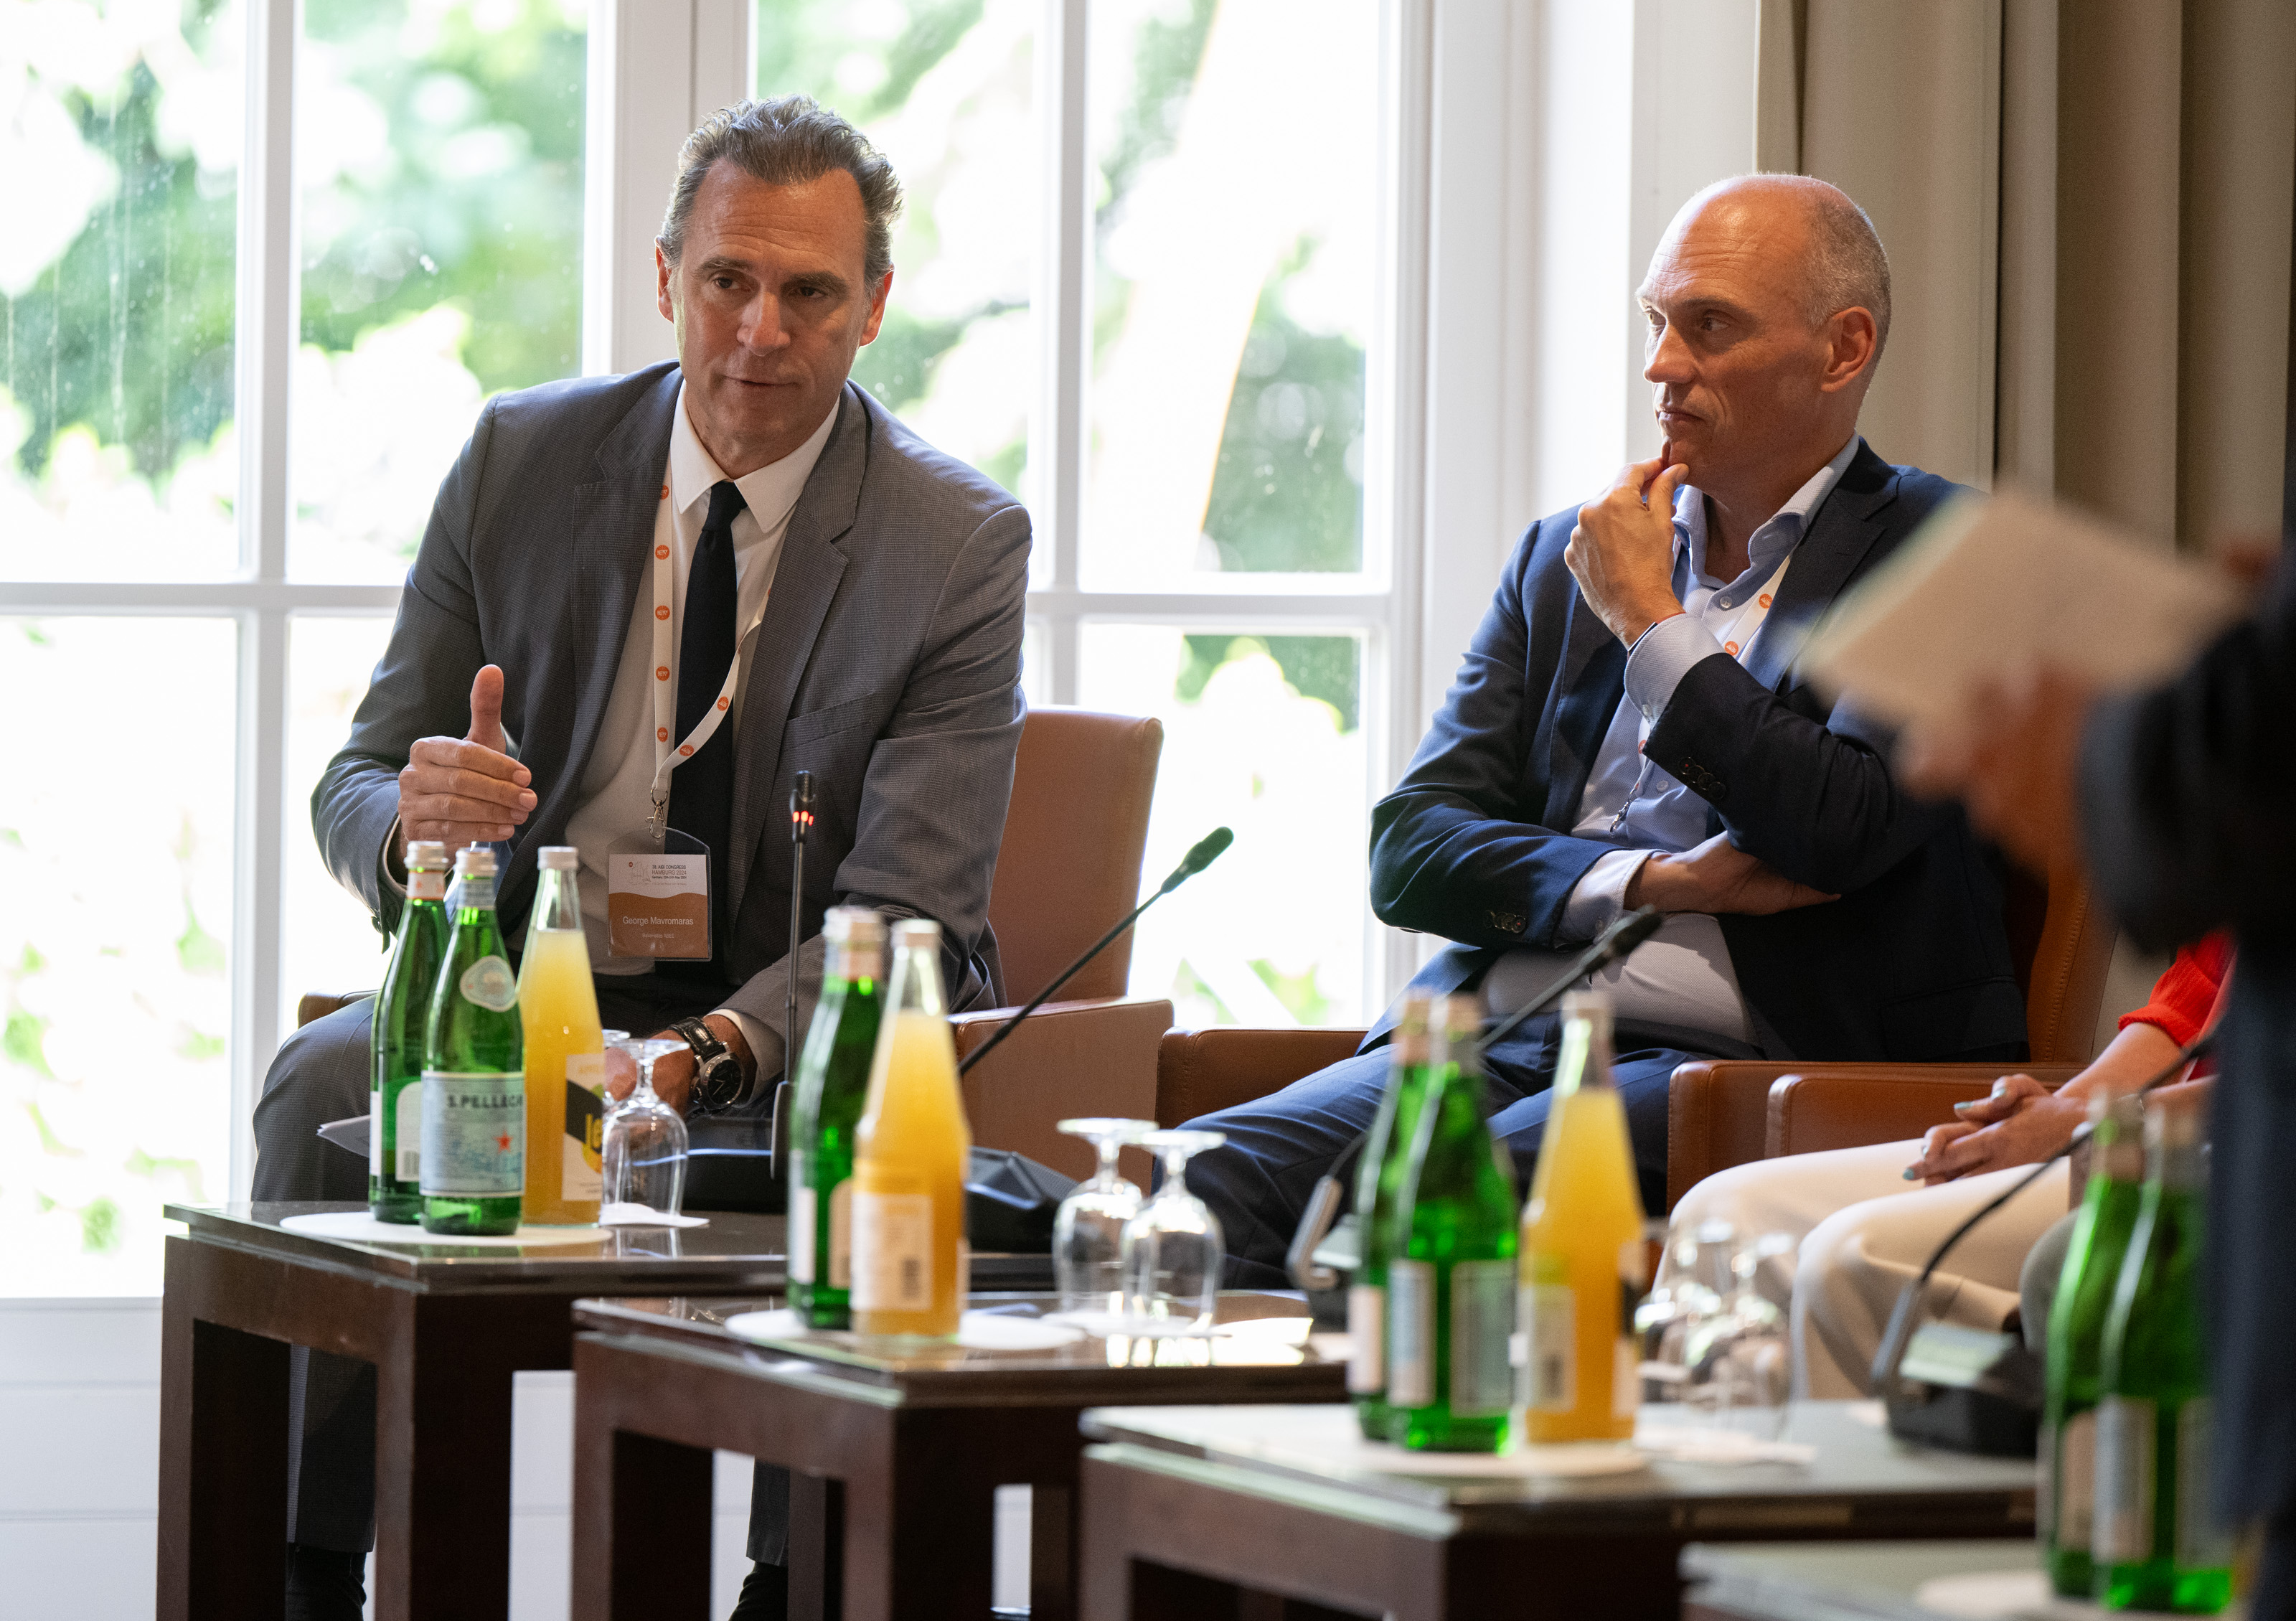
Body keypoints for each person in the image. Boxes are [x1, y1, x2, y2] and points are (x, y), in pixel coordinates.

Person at [253, 95, 1032, 1621]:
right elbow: (358, 777)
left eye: (810, 291)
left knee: (859, 1122)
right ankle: (307, 1568)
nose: (761, 330)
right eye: (728, 279)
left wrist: (695, 1054)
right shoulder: (520, 458)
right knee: (320, 1085)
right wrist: (416, 824)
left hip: (782, 1020)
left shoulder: (952, 539)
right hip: (521, 991)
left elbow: (910, 913)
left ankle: (793, 1593)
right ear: (666, 275)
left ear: (873, 307)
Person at [1185, 172, 2028, 1285]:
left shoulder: (1945, 549)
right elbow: (1410, 847)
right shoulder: (1565, 555)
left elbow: (1838, 823)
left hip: (1746, 1056)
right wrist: (1651, 883)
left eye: (1709, 326)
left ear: (1843, 349)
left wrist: (1651, 624)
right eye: (1655, 321)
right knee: (1191, 1186)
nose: (1661, 365)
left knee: (1435, 1201)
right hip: (1497, 1026)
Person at [1906, 547, 2293, 1612]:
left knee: (1931, 1257)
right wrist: (2073, 1103)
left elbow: (2235, 762)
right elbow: (2188, 993)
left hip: (2209, 1142)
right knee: (1756, 1213)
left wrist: (2101, 743)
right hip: (2164, 1124)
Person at [1659, 933, 2227, 1395]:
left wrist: (2099, 1121)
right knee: (1723, 1212)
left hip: (2219, 1159)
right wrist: (2051, 1115)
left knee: (1855, 1253)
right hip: (2129, 1126)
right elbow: (2186, 1006)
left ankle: (1873, 1503)